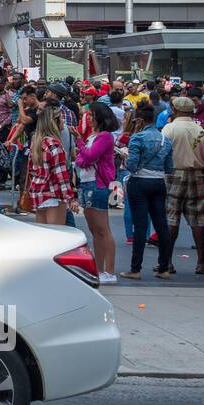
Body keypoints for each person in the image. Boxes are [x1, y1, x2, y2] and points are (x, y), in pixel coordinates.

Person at [120, 102, 174, 281]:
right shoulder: (165, 139)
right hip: (158, 182)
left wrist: (125, 156)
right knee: (161, 225)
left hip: (139, 182)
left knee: (140, 226)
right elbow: (169, 167)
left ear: (141, 120)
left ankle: (135, 269)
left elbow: (132, 165)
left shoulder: (138, 138)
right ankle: (164, 268)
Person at [162, 95, 204, 275]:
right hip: (197, 174)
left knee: (171, 218)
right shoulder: (200, 129)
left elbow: (163, 153)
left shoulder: (169, 128)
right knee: (198, 219)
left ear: (175, 110)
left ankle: (167, 262)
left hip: (174, 174)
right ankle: (201, 262)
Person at [75, 100, 120, 284]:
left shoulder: (104, 136)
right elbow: (82, 159)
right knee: (95, 229)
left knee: (102, 229)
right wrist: (83, 152)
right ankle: (100, 269)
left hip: (98, 184)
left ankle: (109, 271)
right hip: (88, 183)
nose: (89, 118)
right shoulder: (95, 136)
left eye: (92, 115)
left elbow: (88, 156)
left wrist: (79, 142)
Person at [27, 105, 79, 226]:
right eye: (61, 118)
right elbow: (61, 175)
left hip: (38, 191)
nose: (64, 121)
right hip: (53, 192)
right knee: (57, 233)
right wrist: (71, 198)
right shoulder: (54, 145)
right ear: (54, 122)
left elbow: (31, 170)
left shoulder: (37, 142)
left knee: (44, 235)